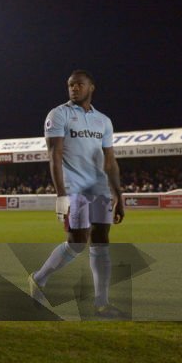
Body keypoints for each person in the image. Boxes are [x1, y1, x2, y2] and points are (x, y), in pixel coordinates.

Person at [28, 70, 125, 318]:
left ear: (91, 87)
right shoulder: (59, 114)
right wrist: (61, 195)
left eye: (79, 84)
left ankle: (101, 303)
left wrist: (119, 195)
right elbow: (54, 155)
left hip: (100, 189)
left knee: (102, 241)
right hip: (74, 190)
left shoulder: (103, 120)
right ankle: (39, 278)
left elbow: (111, 160)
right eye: (71, 85)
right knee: (78, 242)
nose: (74, 88)